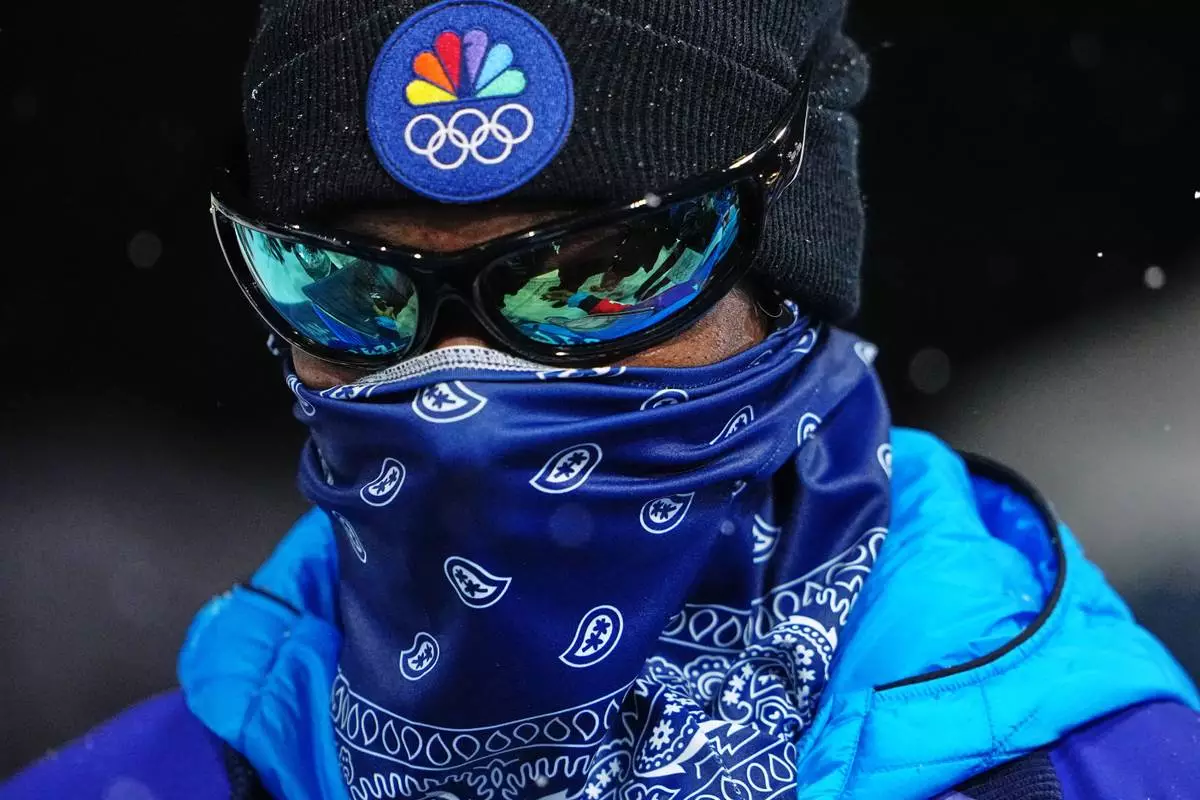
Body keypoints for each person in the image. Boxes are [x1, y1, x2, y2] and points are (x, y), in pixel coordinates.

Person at [5, 0, 1198, 798]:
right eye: (354, 289)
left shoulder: (1123, 774)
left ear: (787, 274)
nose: (468, 385)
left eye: (593, 278)